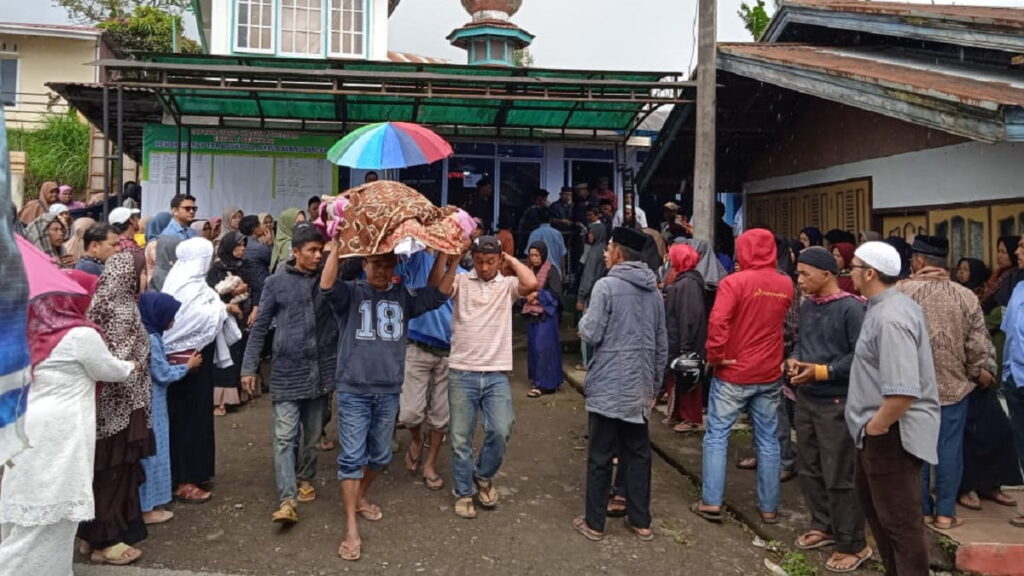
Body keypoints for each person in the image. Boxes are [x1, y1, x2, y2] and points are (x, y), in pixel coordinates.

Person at [321, 243, 455, 561]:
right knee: (352, 457)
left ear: (395, 265)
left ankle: (360, 497)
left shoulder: (403, 296)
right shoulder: (351, 294)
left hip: (388, 391)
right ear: (365, 264)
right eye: (376, 264)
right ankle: (351, 527)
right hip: (354, 389)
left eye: (388, 265)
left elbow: (439, 294)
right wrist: (338, 246)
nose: (382, 271)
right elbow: (326, 284)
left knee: (380, 456)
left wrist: (453, 258)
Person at [0, 272, 135, 572]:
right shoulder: (80, 336)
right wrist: (131, 365)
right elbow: (108, 369)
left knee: (27, 508)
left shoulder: (28, 331)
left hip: (27, 422)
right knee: (52, 513)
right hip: (62, 430)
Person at [846, 241, 940, 575]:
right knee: (882, 518)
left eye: (853, 267)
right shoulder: (887, 305)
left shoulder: (891, 317)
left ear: (870, 273)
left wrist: (876, 427)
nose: (850, 273)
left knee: (900, 524)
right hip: (876, 430)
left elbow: (902, 392)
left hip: (891, 433)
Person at [693, 228, 793, 525]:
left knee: (717, 436)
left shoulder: (733, 283)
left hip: (733, 370)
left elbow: (719, 321)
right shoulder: (786, 284)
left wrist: (715, 356)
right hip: (769, 371)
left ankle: (711, 502)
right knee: (768, 440)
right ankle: (769, 507)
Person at [573, 227, 667, 542]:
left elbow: (591, 332)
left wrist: (583, 321)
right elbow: (661, 344)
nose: (604, 252)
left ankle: (594, 523)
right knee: (638, 454)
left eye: (608, 247)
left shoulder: (606, 286)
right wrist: (653, 386)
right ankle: (641, 522)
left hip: (608, 385)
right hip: (639, 386)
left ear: (619, 253)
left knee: (600, 455)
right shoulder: (653, 290)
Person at [242, 224, 338, 524]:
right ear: (294, 252)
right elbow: (260, 327)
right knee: (285, 437)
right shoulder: (275, 283)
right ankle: (287, 498)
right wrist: (248, 367)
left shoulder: (329, 278)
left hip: (321, 372)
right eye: (311, 251)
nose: (317, 255)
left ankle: (305, 476)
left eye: (321, 250)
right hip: (286, 371)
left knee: (311, 436)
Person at [786, 247, 871, 572]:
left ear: (827, 274)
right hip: (807, 399)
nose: (800, 279)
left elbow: (860, 356)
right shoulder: (809, 307)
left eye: (805, 273)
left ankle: (853, 543)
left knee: (841, 473)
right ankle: (823, 523)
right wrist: (794, 358)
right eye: (799, 273)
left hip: (838, 401)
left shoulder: (851, 309)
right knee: (809, 467)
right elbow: (800, 341)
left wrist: (824, 371)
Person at [898, 235, 990, 529]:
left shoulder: (901, 293)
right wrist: (977, 372)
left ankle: (922, 511)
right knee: (949, 451)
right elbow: (977, 345)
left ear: (920, 261)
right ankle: (946, 514)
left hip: (912, 387)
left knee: (917, 451)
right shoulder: (966, 296)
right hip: (954, 387)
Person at [447, 235, 537, 520]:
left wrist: (509, 258)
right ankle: (463, 492)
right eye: (480, 261)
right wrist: (456, 255)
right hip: (462, 371)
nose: (485, 267)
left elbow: (532, 283)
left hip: (496, 372)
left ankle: (483, 474)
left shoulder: (507, 286)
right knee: (460, 438)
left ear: (499, 261)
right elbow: (440, 286)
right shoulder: (461, 281)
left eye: (490, 261)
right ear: (472, 259)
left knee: (501, 428)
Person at [78, 254, 155, 565]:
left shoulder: (100, 301)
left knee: (101, 470)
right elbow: (119, 361)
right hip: (122, 407)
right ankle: (104, 542)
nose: (145, 277)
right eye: (142, 271)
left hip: (101, 407)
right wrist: (135, 366)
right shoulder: (122, 309)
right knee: (115, 473)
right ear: (129, 276)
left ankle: (89, 534)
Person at [161, 238, 239, 504]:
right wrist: (222, 308)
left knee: (198, 417)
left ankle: (197, 472)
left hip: (197, 361)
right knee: (187, 421)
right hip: (185, 363)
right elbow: (189, 319)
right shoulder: (183, 285)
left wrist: (220, 304)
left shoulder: (191, 283)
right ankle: (184, 479)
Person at [396, 249, 464, 491]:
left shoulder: (464, 275)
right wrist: (445, 256)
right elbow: (434, 286)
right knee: (409, 414)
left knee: (440, 416)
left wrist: (454, 260)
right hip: (416, 346)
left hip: (449, 352)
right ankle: (416, 438)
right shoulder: (414, 260)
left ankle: (431, 463)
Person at [137, 293, 200, 526]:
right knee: (154, 453)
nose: (173, 322)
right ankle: (148, 507)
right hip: (153, 403)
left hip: (147, 401)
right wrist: (187, 366)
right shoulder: (150, 338)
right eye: (171, 317)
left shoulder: (144, 332)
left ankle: (148, 504)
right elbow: (161, 374)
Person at [662, 242, 707, 433]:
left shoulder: (687, 284)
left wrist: (686, 346)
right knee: (678, 378)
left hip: (686, 340)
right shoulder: (684, 281)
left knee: (688, 378)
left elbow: (689, 316)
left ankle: (691, 418)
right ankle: (679, 414)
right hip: (678, 338)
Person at [207, 231, 254, 416]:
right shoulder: (216, 270)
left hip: (243, 317)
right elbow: (211, 295)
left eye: (243, 246)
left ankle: (238, 395)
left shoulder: (244, 267)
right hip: (224, 318)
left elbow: (255, 286)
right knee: (223, 359)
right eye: (237, 246)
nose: (242, 250)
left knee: (238, 356)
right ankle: (221, 401)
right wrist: (232, 295)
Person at [1002, 236, 1024, 528]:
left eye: (1023, 246)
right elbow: (1010, 336)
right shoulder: (1018, 287)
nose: (1017, 252)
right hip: (1016, 380)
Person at [523, 242, 563, 398]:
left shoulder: (552, 271)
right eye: (531, 255)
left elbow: (556, 294)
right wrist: (527, 297)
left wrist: (538, 296)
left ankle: (545, 384)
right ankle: (537, 380)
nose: (534, 259)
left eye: (537, 255)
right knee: (534, 349)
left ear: (543, 255)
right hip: (532, 316)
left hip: (546, 317)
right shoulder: (528, 271)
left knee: (544, 350)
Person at [982, 236, 1022, 313]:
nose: (999, 256)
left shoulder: (1016, 277)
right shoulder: (997, 274)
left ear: (1012, 253)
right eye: (998, 251)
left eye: (1003, 252)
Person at [526, 206, 568, 274]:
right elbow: (562, 256)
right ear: (550, 219)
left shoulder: (534, 234)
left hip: (539, 274)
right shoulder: (557, 234)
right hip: (556, 272)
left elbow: (529, 257)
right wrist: (563, 272)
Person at [109, 207, 146, 284]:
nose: (138, 220)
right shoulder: (129, 246)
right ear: (131, 220)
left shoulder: (119, 243)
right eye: (135, 217)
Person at [270, 208, 305, 273]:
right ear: (287, 224)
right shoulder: (289, 244)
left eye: (303, 222)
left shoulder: (282, 241)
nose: (301, 226)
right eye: (297, 222)